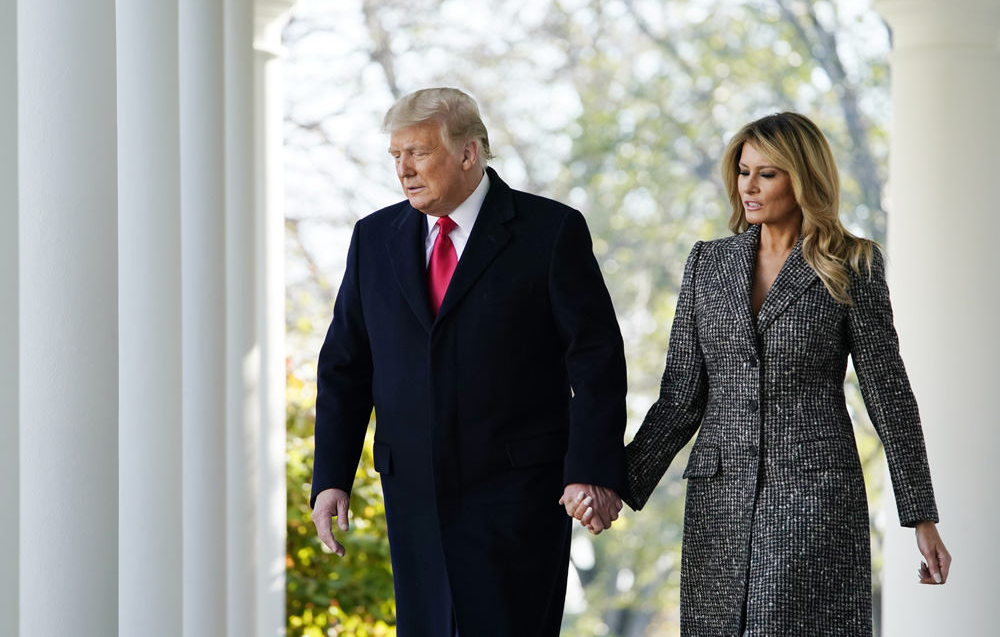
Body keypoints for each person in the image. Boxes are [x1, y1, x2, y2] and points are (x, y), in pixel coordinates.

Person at [571, 112, 952, 635]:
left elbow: (888, 394)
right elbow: (681, 399)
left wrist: (920, 516)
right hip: (719, 501)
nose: (747, 187)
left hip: (813, 496)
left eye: (766, 174)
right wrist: (613, 483)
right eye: (743, 171)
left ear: (804, 179)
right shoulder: (708, 264)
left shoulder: (852, 263)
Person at [310, 87, 626, 636]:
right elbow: (345, 367)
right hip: (413, 499)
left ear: (468, 153)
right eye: (396, 156)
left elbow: (596, 362)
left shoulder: (550, 231)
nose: (404, 169)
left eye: (419, 153)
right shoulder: (372, 238)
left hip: (518, 495)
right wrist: (331, 477)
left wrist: (592, 470)